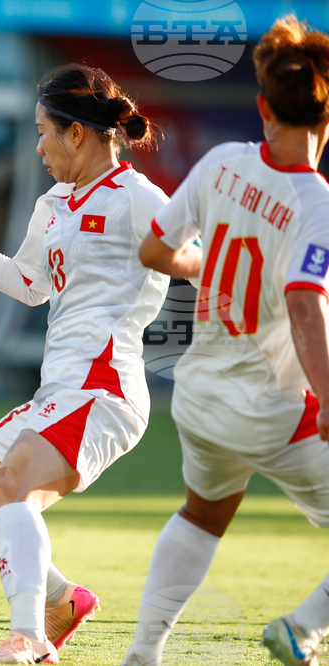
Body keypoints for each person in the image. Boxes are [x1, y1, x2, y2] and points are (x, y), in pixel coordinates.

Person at [0, 64, 170, 663]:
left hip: (104, 388)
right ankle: (63, 600)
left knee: (14, 489)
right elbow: (31, 284)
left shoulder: (138, 198)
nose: (37, 146)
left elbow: (189, 254)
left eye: (42, 132)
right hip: (58, 391)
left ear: (77, 134)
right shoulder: (54, 203)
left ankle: (28, 636)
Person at [123, 16, 329, 666]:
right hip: (272, 409)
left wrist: (206, 265)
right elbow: (304, 305)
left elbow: (156, 249)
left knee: (202, 515)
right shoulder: (315, 201)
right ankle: (304, 627)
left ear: (263, 105)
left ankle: (143, 653)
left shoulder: (220, 164)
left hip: (201, 398)